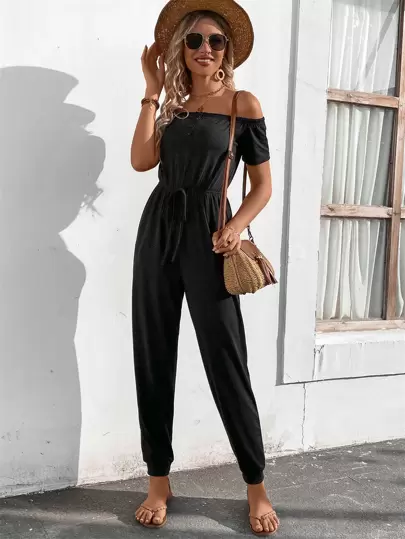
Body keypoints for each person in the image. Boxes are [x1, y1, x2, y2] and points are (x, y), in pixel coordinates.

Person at [130, 0, 279, 535]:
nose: (205, 48)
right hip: (158, 232)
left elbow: (262, 185)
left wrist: (236, 224)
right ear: (181, 48)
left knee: (225, 357)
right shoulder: (171, 106)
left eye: (215, 40)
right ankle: (158, 480)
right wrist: (151, 89)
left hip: (210, 238)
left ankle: (256, 484)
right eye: (194, 40)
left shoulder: (243, 104)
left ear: (227, 49)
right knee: (153, 353)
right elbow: (142, 161)